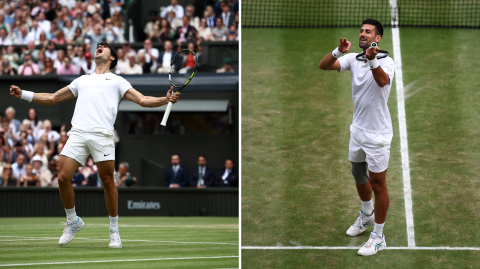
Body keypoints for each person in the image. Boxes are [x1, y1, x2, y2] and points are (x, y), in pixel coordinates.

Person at [9, 41, 180, 248]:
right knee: (62, 177)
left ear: (112, 57)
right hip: (78, 133)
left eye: (104, 46)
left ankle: (114, 230)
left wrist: (165, 99)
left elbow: (142, 100)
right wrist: (23, 94)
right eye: (98, 45)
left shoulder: (118, 81)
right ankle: (73, 221)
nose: (99, 46)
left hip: (103, 135)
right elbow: (53, 98)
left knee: (108, 181)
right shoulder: (82, 80)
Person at [318, 19, 394, 256]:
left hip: (378, 135)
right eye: (361, 31)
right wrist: (337, 52)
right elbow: (324, 65)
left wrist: (372, 59)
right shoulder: (353, 59)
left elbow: (382, 81)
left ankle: (379, 237)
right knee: (357, 173)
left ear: (377, 38)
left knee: (378, 184)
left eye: (368, 31)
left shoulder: (387, 62)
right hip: (358, 131)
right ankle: (366, 214)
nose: (362, 34)